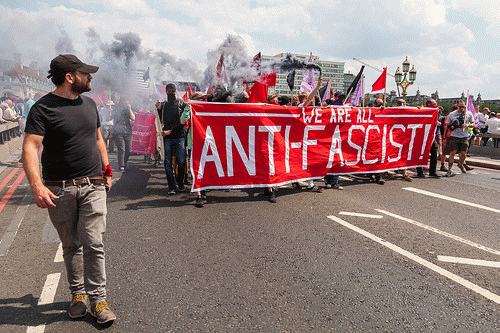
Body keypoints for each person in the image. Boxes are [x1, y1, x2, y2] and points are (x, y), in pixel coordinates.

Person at [22, 54, 115, 324]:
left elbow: (98, 138)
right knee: (71, 244)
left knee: (93, 242)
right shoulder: (43, 108)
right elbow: (30, 146)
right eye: (85, 73)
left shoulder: (90, 104)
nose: (90, 77)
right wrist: (36, 185)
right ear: (69, 77)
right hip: (59, 189)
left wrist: (107, 170)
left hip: (93, 185)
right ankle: (78, 295)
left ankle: (98, 300)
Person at [155, 83, 188, 194]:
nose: (170, 93)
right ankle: (171, 186)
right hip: (167, 138)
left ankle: (181, 183)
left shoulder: (181, 104)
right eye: (168, 92)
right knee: (167, 163)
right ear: (166, 92)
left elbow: (183, 121)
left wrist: (171, 131)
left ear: (175, 91)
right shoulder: (163, 105)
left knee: (182, 162)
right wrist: (158, 109)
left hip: (179, 137)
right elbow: (160, 120)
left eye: (172, 91)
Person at [297, 75, 323, 192]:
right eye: (309, 99)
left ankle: (304, 182)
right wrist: (317, 86)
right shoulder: (301, 106)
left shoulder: (301, 108)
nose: (311, 101)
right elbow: (310, 99)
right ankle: (309, 184)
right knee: (306, 162)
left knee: (303, 162)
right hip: (302, 139)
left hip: (304, 138)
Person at [444, 100, 474, 176]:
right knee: (452, 152)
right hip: (454, 136)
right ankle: (449, 169)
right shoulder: (452, 114)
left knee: (463, 153)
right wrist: (444, 137)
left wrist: (468, 125)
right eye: (460, 107)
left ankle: (460, 164)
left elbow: (473, 124)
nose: (462, 108)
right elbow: (447, 126)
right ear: (457, 106)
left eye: (463, 107)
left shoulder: (469, 114)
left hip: (464, 136)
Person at [111, 99, 135, 172]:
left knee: (129, 150)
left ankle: (124, 163)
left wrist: (130, 109)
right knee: (121, 149)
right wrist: (110, 112)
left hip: (128, 132)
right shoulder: (116, 109)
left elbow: (133, 118)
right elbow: (108, 118)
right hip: (118, 132)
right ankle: (121, 165)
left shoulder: (128, 110)